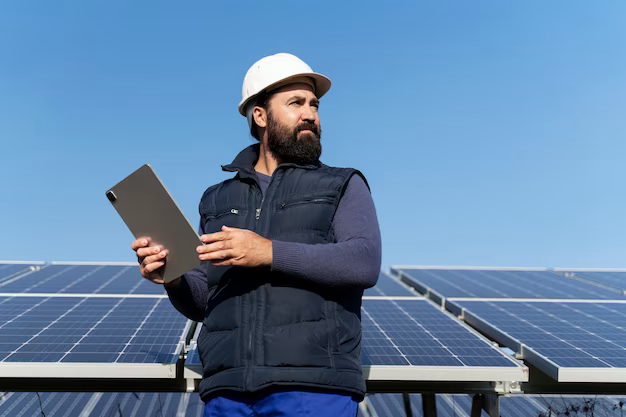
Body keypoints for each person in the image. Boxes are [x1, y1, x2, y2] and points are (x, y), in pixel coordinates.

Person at [131, 53, 382, 417]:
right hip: (227, 390)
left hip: (312, 388)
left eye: (314, 104)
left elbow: (363, 262)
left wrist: (268, 252)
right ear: (260, 116)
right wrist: (171, 278)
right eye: (295, 103)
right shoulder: (217, 198)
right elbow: (203, 300)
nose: (310, 113)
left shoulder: (343, 183)